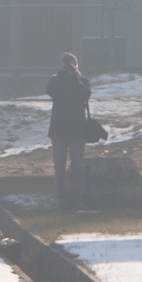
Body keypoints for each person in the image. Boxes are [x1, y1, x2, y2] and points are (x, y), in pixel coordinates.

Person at [46, 52, 92, 207]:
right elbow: (50, 91)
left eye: (72, 64)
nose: (69, 67)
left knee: (78, 165)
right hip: (59, 129)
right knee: (59, 166)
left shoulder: (82, 81)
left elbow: (85, 94)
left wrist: (74, 77)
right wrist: (62, 74)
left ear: (77, 65)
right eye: (66, 64)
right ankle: (62, 198)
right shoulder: (56, 80)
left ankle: (78, 198)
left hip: (77, 129)